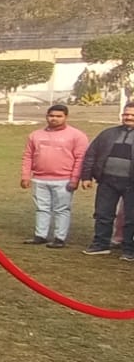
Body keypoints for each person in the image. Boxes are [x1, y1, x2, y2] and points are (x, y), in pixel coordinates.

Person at [20, 104, 88, 248]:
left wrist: (75, 179)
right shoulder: (35, 135)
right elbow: (28, 156)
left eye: (58, 116)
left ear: (66, 117)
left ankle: (59, 238)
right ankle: (40, 235)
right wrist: (26, 175)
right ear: (46, 116)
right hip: (40, 178)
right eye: (51, 116)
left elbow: (80, 159)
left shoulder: (77, 136)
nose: (54, 119)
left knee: (61, 209)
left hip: (64, 180)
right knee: (42, 208)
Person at [80, 101, 134, 260]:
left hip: (131, 184)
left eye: (132, 115)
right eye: (126, 114)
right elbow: (91, 154)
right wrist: (86, 176)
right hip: (107, 181)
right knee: (103, 214)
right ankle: (100, 245)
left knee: (131, 217)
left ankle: (129, 250)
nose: (128, 117)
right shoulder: (108, 134)